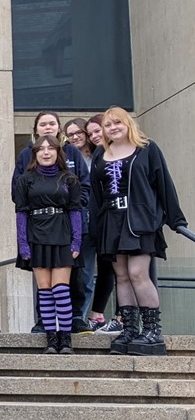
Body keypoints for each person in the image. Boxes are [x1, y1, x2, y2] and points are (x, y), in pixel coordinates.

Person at [89, 107, 187, 356]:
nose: (113, 128)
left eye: (117, 123)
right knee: (121, 276)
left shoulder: (147, 148)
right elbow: (95, 195)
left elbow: (163, 182)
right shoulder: (101, 153)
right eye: (108, 125)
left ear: (127, 123)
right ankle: (130, 330)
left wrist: (175, 219)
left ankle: (152, 331)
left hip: (140, 220)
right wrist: (95, 228)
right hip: (112, 220)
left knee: (137, 273)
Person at [13, 112, 92, 335]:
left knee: (68, 285)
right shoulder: (25, 168)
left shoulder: (71, 162)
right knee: (45, 288)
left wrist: (70, 208)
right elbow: (20, 205)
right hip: (37, 230)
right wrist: (23, 244)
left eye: (52, 124)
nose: (46, 152)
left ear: (58, 129)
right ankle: (48, 331)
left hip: (65, 228)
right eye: (42, 124)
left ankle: (70, 329)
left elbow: (81, 195)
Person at [83, 113, 124, 336]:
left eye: (98, 130)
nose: (95, 136)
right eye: (91, 133)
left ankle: (121, 317)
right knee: (107, 267)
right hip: (102, 219)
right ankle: (97, 315)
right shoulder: (98, 154)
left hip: (125, 220)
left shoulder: (126, 151)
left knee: (126, 271)